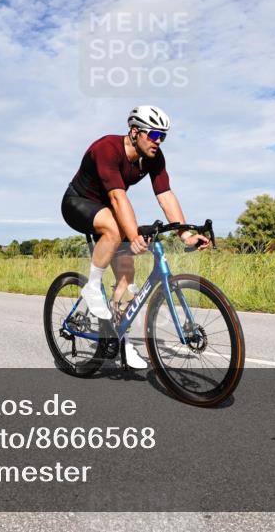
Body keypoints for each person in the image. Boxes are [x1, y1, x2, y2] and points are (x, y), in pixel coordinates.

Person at [61, 106, 210, 369]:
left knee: (126, 278)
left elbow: (165, 195)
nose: (159, 141)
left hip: (108, 208)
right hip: (78, 203)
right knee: (117, 231)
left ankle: (121, 340)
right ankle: (92, 285)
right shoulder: (107, 148)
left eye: (163, 135)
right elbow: (118, 197)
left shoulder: (154, 157)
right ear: (134, 132)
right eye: (154, 134)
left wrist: (185, 234)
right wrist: (133, 236)